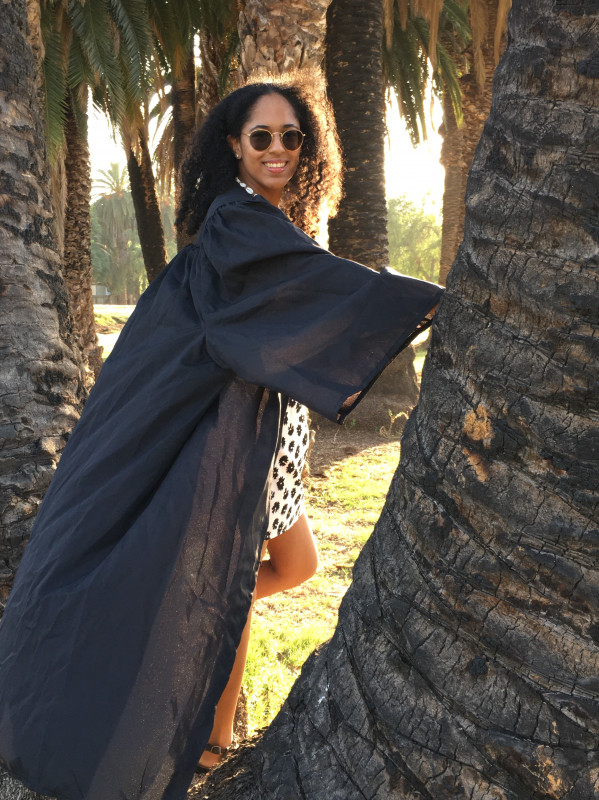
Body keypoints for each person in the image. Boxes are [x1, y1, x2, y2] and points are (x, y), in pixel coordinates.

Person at [0, 76, 443, 800]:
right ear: (234, 146)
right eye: (261, 136)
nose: (277, 149)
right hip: (246, 440)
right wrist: (430, 299)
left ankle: (195, 674)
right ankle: (209, 738)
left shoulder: (261, 224)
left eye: (291, 137)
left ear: (308, 148)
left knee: (274, 571)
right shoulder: (238, 221)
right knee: (235, 575)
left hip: (277, 441)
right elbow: (318, 290)